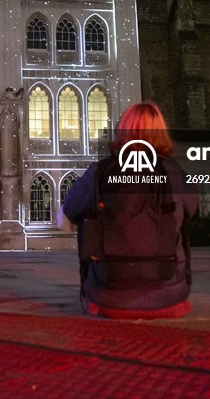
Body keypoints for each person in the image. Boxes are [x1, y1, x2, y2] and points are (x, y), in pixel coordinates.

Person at [61, 101, 198, 319]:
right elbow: (190, 211)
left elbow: (65, 218)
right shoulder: (175, 173)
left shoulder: (100, 171)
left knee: (86, 214)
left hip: (108, 298)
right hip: (169, 298)